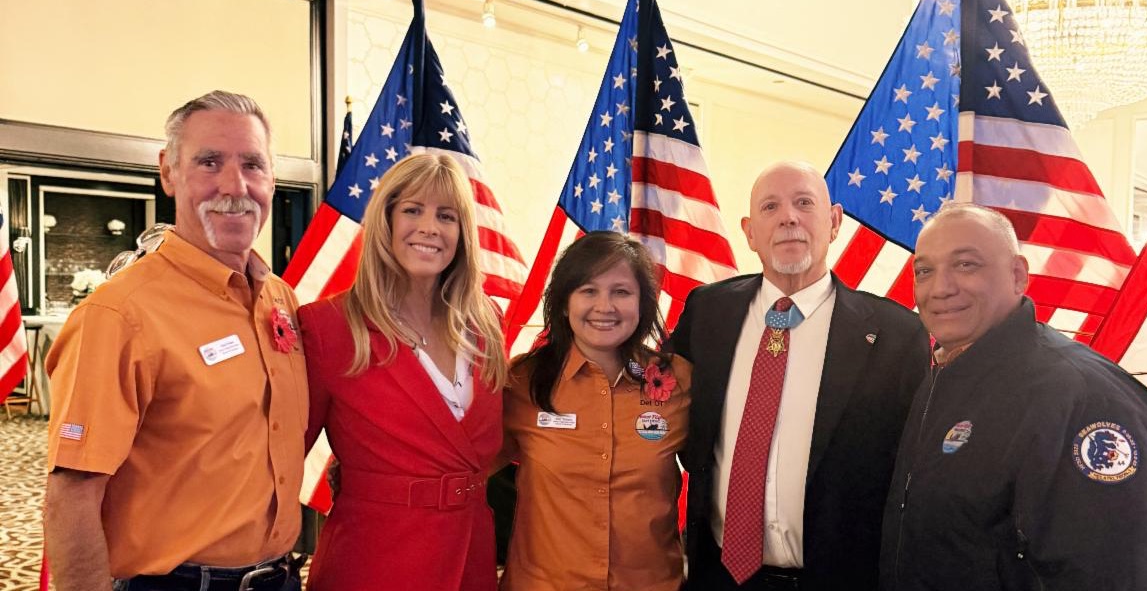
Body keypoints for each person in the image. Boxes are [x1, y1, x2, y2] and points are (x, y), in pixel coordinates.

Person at [44, 91, 307, 591]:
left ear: (272, 178)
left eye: (253, 164)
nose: (235, 185)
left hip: (280, 577)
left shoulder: (281, 300)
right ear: (168, 171)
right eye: (210, 162)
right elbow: (72, 495)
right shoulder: (118, 315)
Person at [879, 202, 1147, 590]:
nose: (940, 288)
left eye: (966, 265)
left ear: (1018, 275)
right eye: (924, 271)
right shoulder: (942, 375)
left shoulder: (1084, 395)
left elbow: (1120, 574)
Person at [671, 160, 929, 591]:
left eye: (804, 203)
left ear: (834, 222)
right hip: (718, 578)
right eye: (770, 207)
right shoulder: (707, 312)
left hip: (841, 580)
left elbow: (914, 476)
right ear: (750, 232)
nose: (788, 217)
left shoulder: (898, 336)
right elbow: (659, 405)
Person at [300, 153, 507, 591]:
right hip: (376, 562)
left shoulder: (486, 322)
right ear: (386, 221)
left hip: (471, 559)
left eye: (446, 216)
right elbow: (284, 453)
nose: (430, 227)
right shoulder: (328, 326)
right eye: (413, 210)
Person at [500, 231, 692, 591]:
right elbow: (467, 470)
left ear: (643, 304)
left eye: (621, 292)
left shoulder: (678, 381)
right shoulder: (522, 381)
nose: (605, 306)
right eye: (588, 290)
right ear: (564, 302)